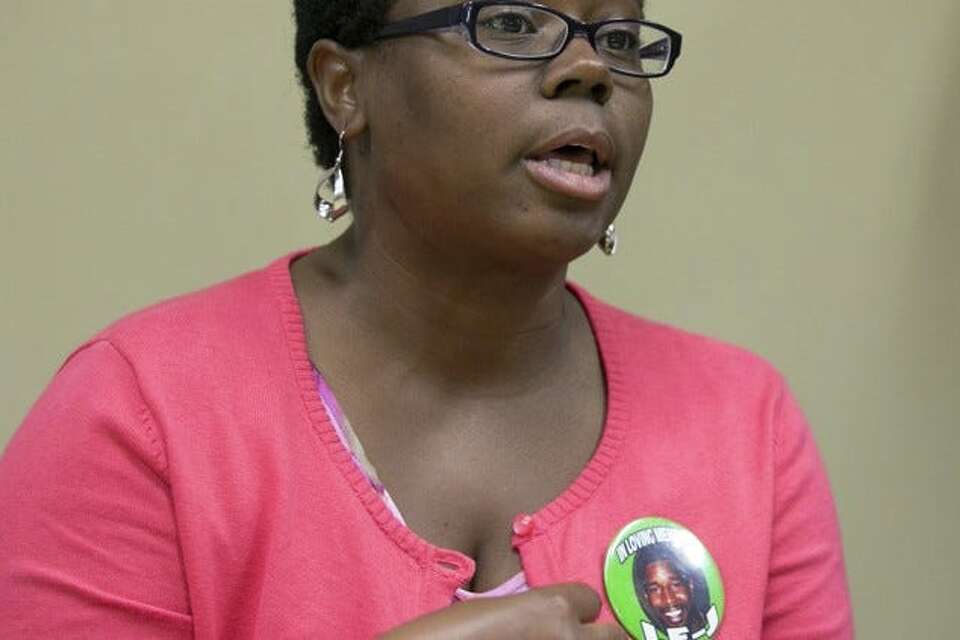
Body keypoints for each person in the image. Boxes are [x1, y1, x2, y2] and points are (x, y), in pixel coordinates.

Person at [0, 1, 854, 638]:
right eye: (512, 22)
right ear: (346, 87)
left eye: (622, 39)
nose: (591, 69)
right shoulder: (139, 417)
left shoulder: (746, 425)